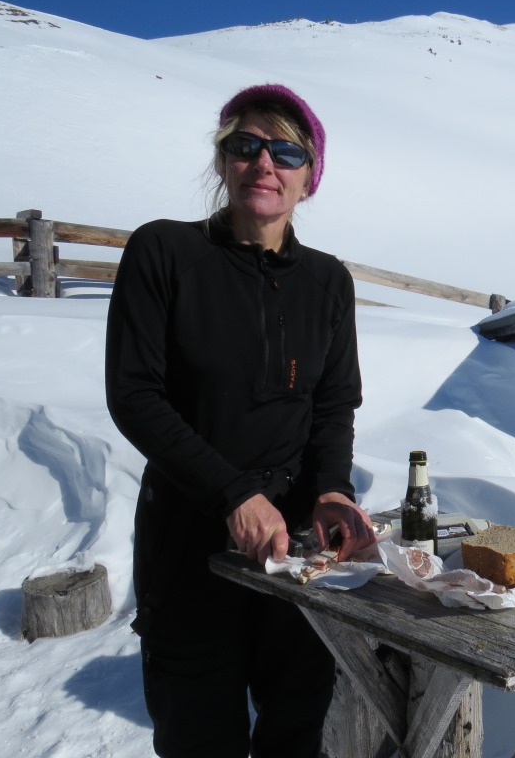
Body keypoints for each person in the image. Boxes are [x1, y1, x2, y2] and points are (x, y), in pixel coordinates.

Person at [105, 83, 375, 758]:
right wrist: (233, 494)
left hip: (296, 557)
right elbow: (135, 396)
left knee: (295, 731)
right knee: (201, 738)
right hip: (189, 547)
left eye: (286, 150)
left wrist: (333, 489)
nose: (265, 163)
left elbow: (334, 404)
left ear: (308, 178)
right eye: (245, 145)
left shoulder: (327, 282)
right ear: (222, 161)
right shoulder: (164, 253)